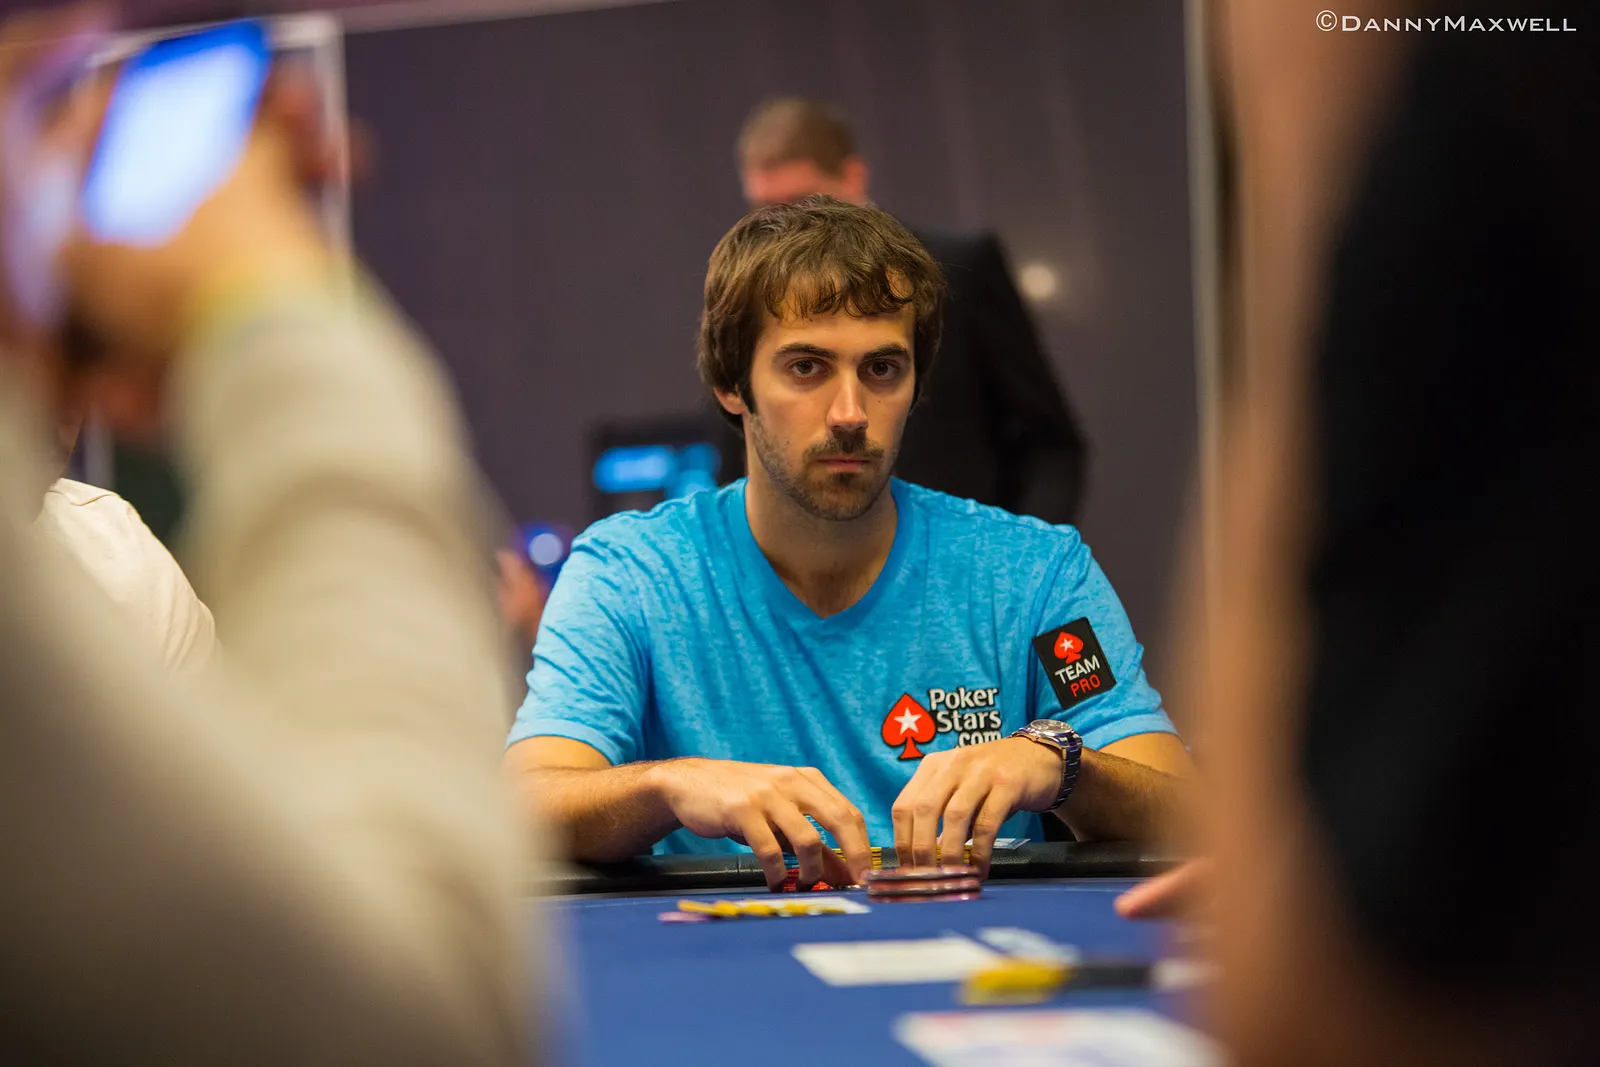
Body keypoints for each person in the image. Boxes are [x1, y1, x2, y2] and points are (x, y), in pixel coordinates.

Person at [0, 10, 534, 1062]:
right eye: (36, 107)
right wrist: (274, 302)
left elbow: (247, 851)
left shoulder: (112, 549)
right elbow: (407, 1020)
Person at [506, 195, 1189, 891]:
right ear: (730, 383)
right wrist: (671, 785)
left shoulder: (1033, 573)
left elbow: (1188, 812)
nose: (850, 413)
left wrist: (1060, 762)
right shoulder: (630, 573)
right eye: (806, 367)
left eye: (882, 369)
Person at [734, 97, 1088, 525]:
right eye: (766, 210)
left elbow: (1050, 446)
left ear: (853, 176)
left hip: (960, 551)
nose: (787, 226)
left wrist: (1019, 556)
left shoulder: (957, 270)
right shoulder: (749, 296)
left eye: (803, 200)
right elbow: (736, 456)